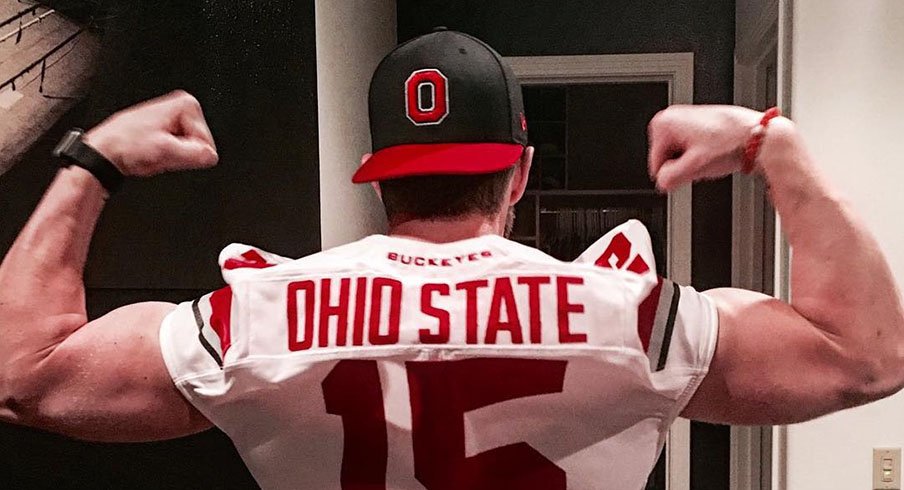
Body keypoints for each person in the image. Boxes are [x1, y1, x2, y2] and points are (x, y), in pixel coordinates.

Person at [1, 29, 902, 490]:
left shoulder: (256, 318)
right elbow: (869, 356)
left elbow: (24, 377)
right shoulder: (637, 315)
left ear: (379, 180)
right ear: (519, 174)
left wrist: (95, 158)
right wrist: (770, 145)